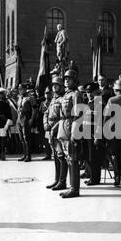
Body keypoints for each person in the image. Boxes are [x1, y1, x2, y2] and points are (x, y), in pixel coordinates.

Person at [57, 70, 83, 198]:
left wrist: (75, 132)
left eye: (69, 78)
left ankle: (74, 189)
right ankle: (70, 186)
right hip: (64, 126)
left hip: (71, 126)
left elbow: (78, 114)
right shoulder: (66, 95)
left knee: (73, 159)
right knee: (68, 158)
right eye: (65, 78)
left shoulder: (76, 95)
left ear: (75, 80)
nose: (66, 80)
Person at [44, 74, 67, 191]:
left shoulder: (63, 99)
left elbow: (63, 117)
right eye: (53, 85)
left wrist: (54, 128)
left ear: (61, 87)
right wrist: (45, 124)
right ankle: (56, 179)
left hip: (59, 129)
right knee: (55, 156)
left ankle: (62, 182)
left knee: (61, 156)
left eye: (56, 85)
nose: (54, 87)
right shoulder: (53, 99)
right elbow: (46, 113)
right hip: (51, 129)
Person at [83, 82, 104, 186]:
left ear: (97, 92)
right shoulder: (88, 103)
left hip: (94, 135)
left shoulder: (99, 104)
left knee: (94, 158)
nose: (89, 94)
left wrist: (97, 136)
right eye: (87, 92)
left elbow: (100, 121)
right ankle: (91, 176)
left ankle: (95, 179)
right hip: (87, 134)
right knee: (88, 157)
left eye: (92, 92)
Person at [17, 83, 34, 162]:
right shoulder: (20, 98)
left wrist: (31, 119)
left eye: (22, 89)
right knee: (22, 138)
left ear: (25, 89)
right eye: (19, 89)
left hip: (26, 118)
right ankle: (24, 154)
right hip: (20, 119)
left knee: (26, 138)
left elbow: (34, 109)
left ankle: (28, 155)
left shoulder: (29, 98)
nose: (20, 91)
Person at [39, 87, 53, 160]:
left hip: (52, 123)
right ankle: (48, 154)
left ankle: (54, 153)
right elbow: (40, 113)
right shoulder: (42, 103)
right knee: (46, 140)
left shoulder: (53, 102)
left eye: (48, 93)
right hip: (44, 123)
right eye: (46, 93)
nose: (47, 95)